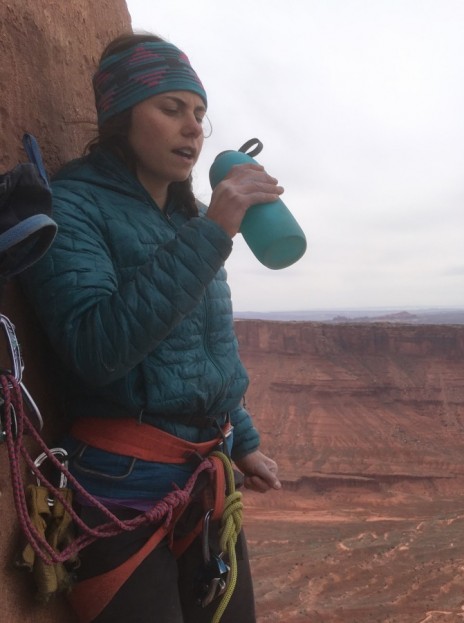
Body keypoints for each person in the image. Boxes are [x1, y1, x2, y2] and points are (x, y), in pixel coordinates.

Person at [20, 32, 283, 622]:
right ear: (120, 114)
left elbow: (206, 347)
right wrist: (213, 233)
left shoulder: (187, 218)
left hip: (205, 476)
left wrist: (242, 440)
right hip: (117, 488)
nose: (193, 128)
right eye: (170, 109)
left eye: (199, 114)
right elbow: (96, 347)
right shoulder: (71, 207)